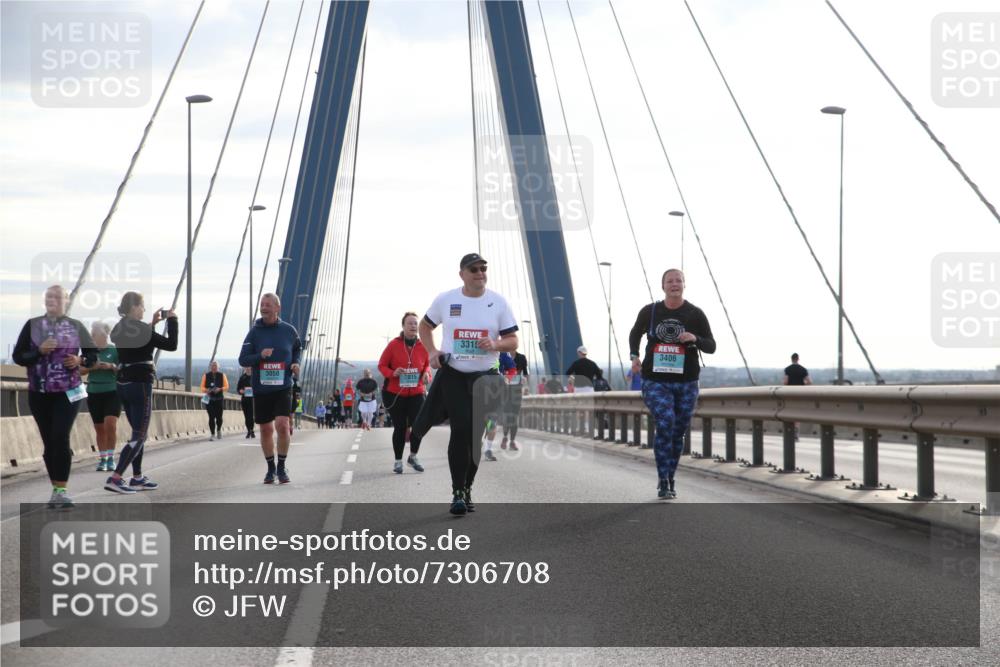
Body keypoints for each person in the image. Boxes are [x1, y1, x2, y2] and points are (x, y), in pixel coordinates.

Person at [413, 253, 518, 515]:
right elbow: (425, 327)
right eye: (474, 269)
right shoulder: (446, 299)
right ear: (462, 274)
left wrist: (495, 344)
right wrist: (431, 352)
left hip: (485, 377)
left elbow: (513, 341)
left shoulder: (498, 302)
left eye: (483, 269)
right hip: (455, 376)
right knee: (460, 430)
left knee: (475, 435)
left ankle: (468, 486)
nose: (480, 273)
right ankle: (457, 492)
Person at [629, 268, 715, 499]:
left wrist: (695, 338)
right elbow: (635, 333)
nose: (674, 284)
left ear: (684, 284)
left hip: (686, 381)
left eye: (678, 280)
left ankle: (671, 475)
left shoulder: (695, 313)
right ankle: (662, 479)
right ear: (663, 286)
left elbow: (711, 346)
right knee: (666, 421)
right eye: (670, 281)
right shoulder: (651, 311)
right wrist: (634, 356)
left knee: (678, 432)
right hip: (655, 380)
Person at [13, 285, 97, 508]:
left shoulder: (76, 326)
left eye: (57, 296)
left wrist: (80, 361)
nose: (52, 299)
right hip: (39, 392)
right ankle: (56, 490)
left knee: (60, 436)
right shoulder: (32, 325)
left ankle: (61, 490)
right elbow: (18, 357)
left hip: (68, 391)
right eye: (49, 295)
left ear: (66, 301)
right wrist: (39, 351)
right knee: (50, 442)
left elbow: (92, 356)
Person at [107, 291, 178, 494]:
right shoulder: (141, 329)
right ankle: (116, 477)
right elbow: (171, 345)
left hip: (123, 385)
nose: (145, 310)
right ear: (134, 307)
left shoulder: (119, 328)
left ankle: (137, 478)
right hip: (141, 385)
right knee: (140, 435)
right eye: (142, 306)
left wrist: (152, 324)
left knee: (136, 432)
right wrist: (173, 321)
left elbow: (137, 340)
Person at [238, 293, 301, 484]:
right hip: (261, 389)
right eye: (262, 304)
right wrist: (260, 356)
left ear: (277, 308)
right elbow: (243, 359)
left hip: (283, 386)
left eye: (267, 305)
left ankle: (282, 468)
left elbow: (297, 349)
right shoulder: (254, 332)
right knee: (266, 430)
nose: (263, 307)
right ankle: (270, 468)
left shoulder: (289, 331)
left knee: (282, 425)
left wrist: (296, 363)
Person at [378, 311, 430, 474]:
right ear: (403, 326)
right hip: (395, 393)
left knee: (419, 426)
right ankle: (398, 461)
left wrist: (427, 373)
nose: (414, 326)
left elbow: (427, 364)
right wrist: (392, 373)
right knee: (400, 427)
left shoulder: (423, 346)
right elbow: (382, 365)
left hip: (417, 392)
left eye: (416, 323)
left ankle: (413, 456)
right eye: (410, 323)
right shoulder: (393, 345)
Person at [79, 321, 120, 472]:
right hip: (94, 391)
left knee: (111, 425)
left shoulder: (114, 351)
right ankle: (103, 459)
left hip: (112, 391)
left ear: (103, 335)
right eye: (91, 334)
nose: (92, 336)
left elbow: (122, 369)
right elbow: (79, 370)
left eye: (94, 334)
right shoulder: (89, 351)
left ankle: (111, 458)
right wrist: (92, 367)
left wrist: (111, 366)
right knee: (99, 428)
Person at [500, 351, 528, 451]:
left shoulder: (521, 357)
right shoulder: (502, 356)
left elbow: (525, 373)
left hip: (517, 391)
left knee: (515, 417)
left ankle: (512, 441)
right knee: (508, 416)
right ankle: (505, 436)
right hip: (505, 392)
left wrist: (525, 381)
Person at [200, 360, 229, 441]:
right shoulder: (205, 375)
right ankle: (212, 434)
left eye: (215, 365)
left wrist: (220, 389)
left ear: (218, 367)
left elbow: (227, 386)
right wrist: (207, 390)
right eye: (212, 365)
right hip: (209, 399)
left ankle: (219, 429)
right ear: (210, 367)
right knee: (211, 417)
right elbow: (201, 387)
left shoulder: (222, 375)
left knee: (219, 417)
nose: (214, 367)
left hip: (219, 399)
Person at [236, 367, 255, 438]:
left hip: (252, 399)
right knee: (246, 416)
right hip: (244, 399)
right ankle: (249, 431)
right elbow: (238, 388)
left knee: (251, 416)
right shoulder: (242, 377)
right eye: (247, 367)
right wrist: (241, 391)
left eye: (249, 367)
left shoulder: (255, 376)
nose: (248, 368)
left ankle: (251, 430)